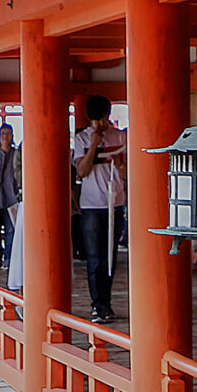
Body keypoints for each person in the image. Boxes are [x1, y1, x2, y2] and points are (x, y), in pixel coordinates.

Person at [69, 95, 126, 321]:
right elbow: (81, 171)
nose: (99, 124)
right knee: (94, 258)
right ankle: (97, 304)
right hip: (91, 205)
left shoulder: (120, 136)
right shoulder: (82, 138)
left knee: (110, 256)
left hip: (115, 203)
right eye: (95, 120)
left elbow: (126, 173)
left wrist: (121, 167)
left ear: (108, 116)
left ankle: (107, 303)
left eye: (102, 119)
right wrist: (94, 143)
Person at [0, 122, 21, 274]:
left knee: (11, 230)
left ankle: (9, 258)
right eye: (3, 133)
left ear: (12, 136)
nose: (5, 136)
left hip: (11, 197)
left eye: (8, 134)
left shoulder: (16, 154)